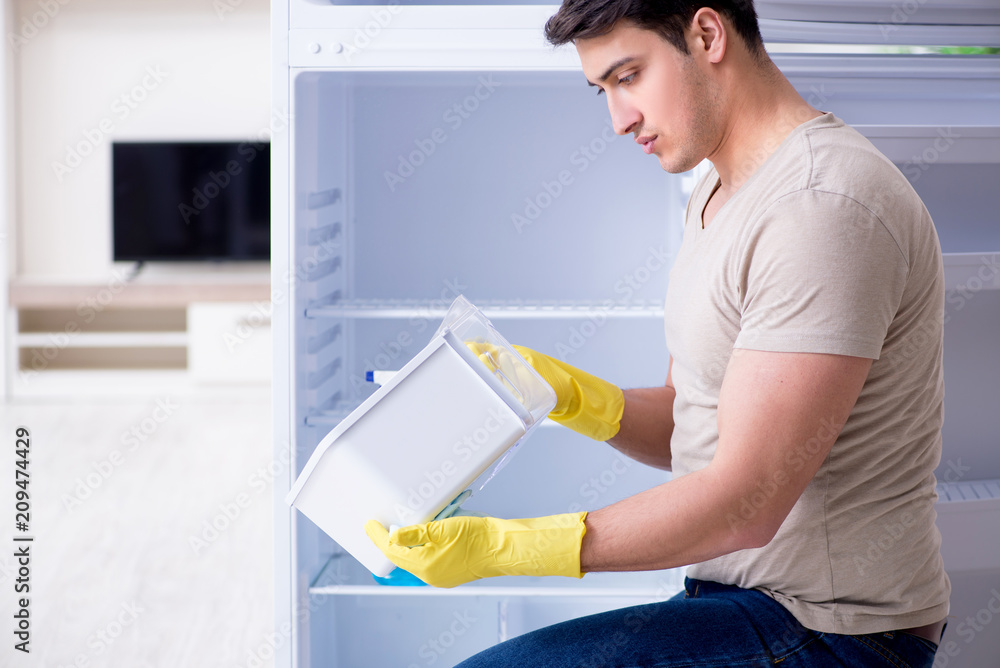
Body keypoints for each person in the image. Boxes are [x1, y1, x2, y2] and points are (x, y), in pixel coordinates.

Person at [366, 1, 951, 665]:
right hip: (733, 601)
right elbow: (693, 427)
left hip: (833, 633)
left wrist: (506, 548)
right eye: (603, 91)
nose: (619, 120)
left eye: (628, 76)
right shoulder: (719, 192)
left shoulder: (822, 204)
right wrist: (566, 393)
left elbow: (747, 501)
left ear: (706, 34)